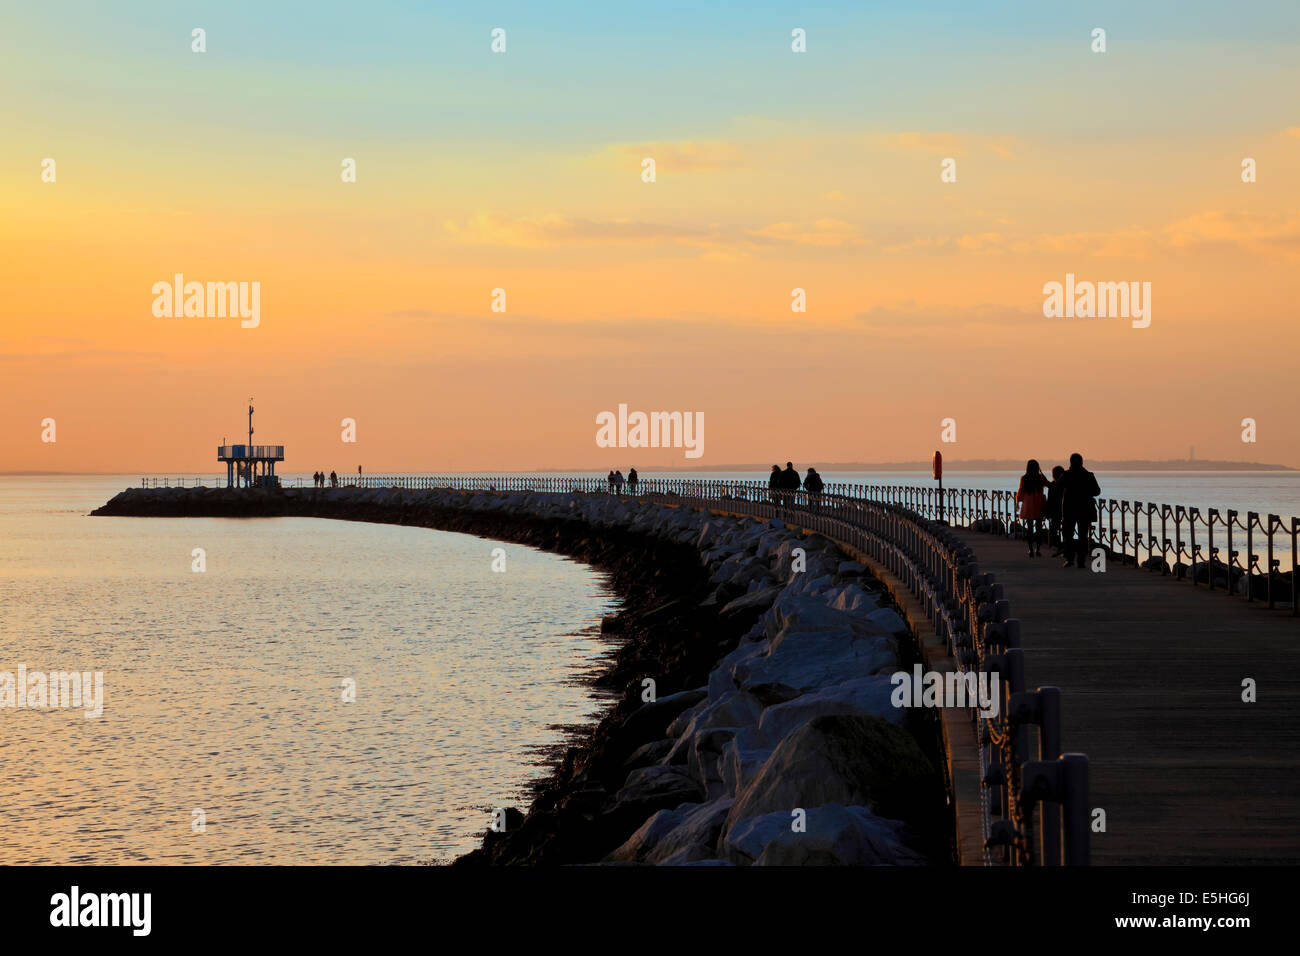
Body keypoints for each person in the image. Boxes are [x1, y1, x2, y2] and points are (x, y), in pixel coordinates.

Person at [1060, 453, 1101, 569]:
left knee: (1068, 535)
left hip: (1069, 510)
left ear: (1071, 462)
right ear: (1082, 462)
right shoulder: (1088, 475)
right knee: (1083, 536)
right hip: (1084, 510)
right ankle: (1081, 561)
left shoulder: (1066, 475)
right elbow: (1097, 491)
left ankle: (1069, 559)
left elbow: (1058, 486)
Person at [1014, 459, 1049, 556]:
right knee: (1038, 528)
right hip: (1039, 504)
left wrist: (1018, 501)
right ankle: (1038, 549)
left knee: (1029, 528)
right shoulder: (1041, 478)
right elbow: (1049, 484)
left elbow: (1020, 492)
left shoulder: (1024, 478)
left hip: (1028, 505)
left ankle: (1031, 550)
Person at [1046, 465, 1065, 555]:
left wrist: (1047, 512)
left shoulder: (1052, 485)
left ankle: (1059, 547)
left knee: (1054, 531)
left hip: (1055, 511)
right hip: (1065, 510)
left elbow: (1049, 500)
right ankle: (1064, 547)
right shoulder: (1065, 485)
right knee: (1066, 531)